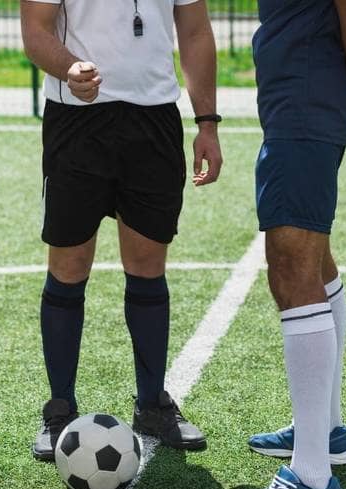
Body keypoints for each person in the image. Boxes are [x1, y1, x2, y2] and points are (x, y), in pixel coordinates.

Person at [219, 0, 346, 489]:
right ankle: (325, 431)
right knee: (314, 259)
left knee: (292, 266)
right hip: (302, 101)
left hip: (305, 102)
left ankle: (312, 481)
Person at [21, 0, 223, 460]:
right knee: (69, 266)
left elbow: (194, 32)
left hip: (154, 121)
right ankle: (60, 409)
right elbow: (35, 30)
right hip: (76, 121)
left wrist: (207, 123)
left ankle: (152, 404)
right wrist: (71, 67)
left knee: (148, 265)